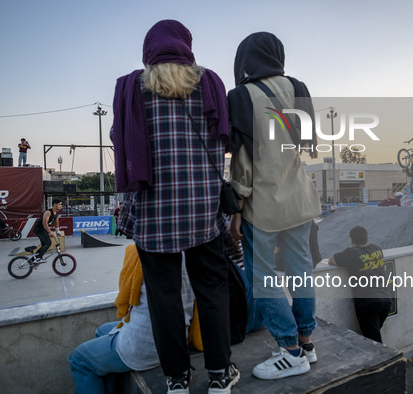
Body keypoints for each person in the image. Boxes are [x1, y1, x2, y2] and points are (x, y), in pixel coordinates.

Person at [111, 20, 238, 393]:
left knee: (164, 299)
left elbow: (120, 138)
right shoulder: (210, 81)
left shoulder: (131, 87)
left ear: (149, 48)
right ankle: (220, 376)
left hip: (153, 213)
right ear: (187, 45)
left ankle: (176, 380)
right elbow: (224, 136)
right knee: (213, 291)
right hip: (202, 210)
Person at [228, 32, 321, 380]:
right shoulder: (297, 86)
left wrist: (236, 207)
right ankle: (307, 343)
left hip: (262, 205)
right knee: (301, 272)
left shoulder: (240, 97)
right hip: (299, 199)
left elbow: (244, 161)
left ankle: (290, 350)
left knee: (265, 279)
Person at [69, 245, 195, 394]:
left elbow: (125, 295)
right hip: (180, 332)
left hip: (146, 344)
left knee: (78, 360)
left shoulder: (142, 251)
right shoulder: (194, 253)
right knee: (102, 331)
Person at [328, 226, 393, 343]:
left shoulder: (351, 253)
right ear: (366, 238)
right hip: (386, 299)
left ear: (351, 240)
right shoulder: (376, 249)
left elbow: (331, 260)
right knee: (374, 335)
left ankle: (383, 360)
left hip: (368, 302)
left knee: (374, 343)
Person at [33, 198, 62, 263]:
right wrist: (50, 232)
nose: (61, 206)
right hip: (39, 229)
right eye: (59, 204)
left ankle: (34, 259)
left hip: (43, 230)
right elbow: (44, 223)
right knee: (48, 243)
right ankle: (38, 259)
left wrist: (57, 231)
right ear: (54, 205)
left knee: (44, 244)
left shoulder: (56, 213)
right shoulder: (48, 212)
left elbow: (56, 223)